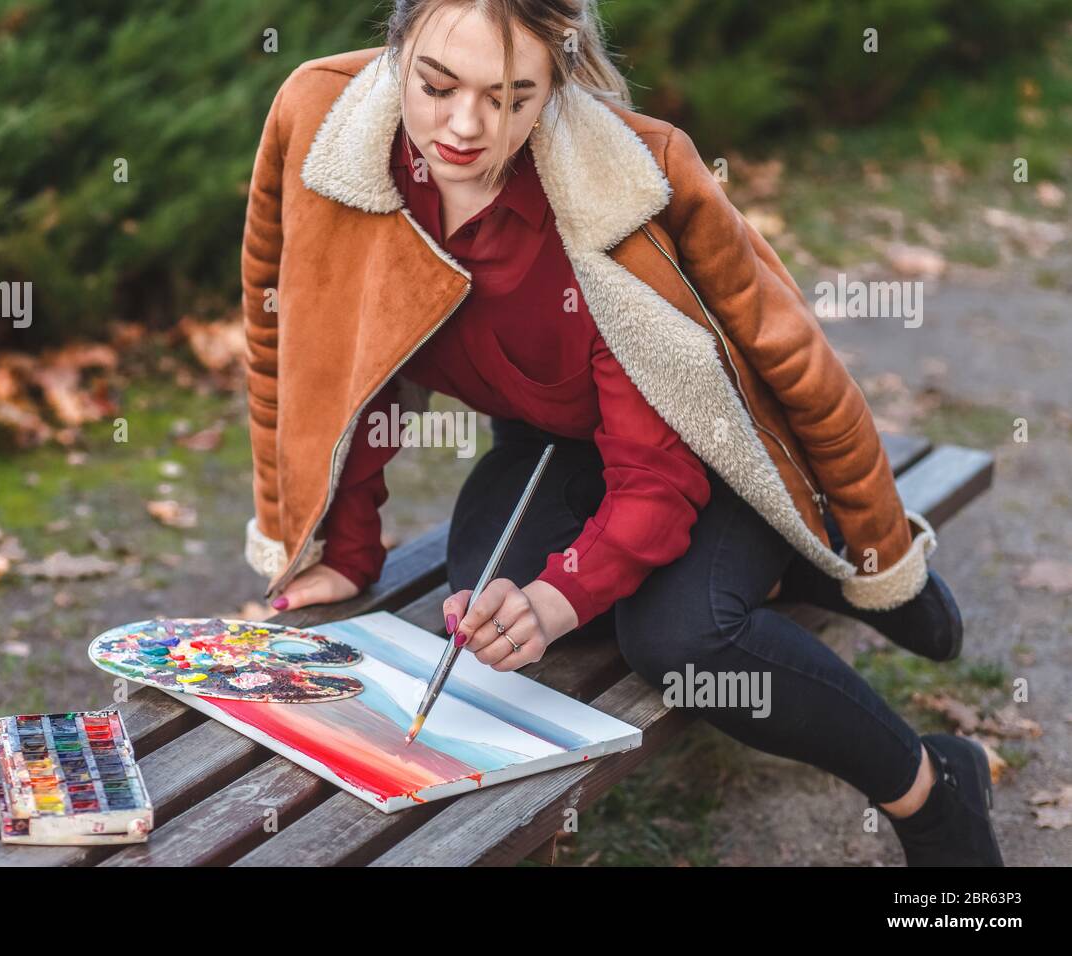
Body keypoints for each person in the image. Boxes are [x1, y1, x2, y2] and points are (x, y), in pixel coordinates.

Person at [238, 0, 1002, 866]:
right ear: (396, 45)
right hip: (552, 442)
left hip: (716, 442)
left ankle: (932, 788)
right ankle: (786, 573)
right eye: (437, 84)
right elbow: (314, 348)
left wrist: (561, 597)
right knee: (490, 592)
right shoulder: (324, 126)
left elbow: (666, 470)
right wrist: (343, 543)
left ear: (554, 86)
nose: (464, 126)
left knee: (681, 639)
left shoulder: (612, 190)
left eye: (510, 97)